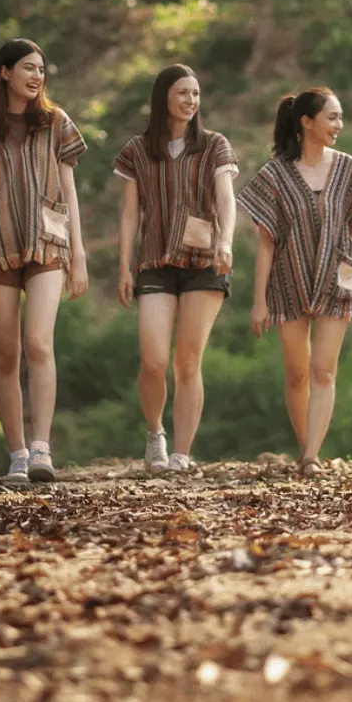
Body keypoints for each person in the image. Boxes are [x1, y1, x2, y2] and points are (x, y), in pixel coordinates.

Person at [0, 38, 90, 483]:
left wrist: (79, 254)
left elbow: (69, 190)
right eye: (29, 68)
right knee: (6, 354)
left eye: (42, 69)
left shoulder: (55, 122)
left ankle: (42, 449)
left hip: (48, 243)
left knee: (39, 344)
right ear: (5, 73)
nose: (37, 76)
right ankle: (16, 455)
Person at [240, 87, 352, 478]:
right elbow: (266, 243)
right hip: (287, 283)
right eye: (332, 117)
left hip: (340, 283)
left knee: (324, 370)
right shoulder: (275, 175)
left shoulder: (350, 169)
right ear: (306, 122)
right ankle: (306, 445)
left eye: (340, 117)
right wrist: (259, 301)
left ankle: (311, 457)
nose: (339, 125)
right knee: (297, 372)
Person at [112, 64, 239, 472]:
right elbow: (131, 215)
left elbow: (226, 200)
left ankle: (183, 452)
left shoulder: (214, 145)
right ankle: (155, 435)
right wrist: (123, 268)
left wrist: (225, 241)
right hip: (154, 261)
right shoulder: (137, 150)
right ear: (164, 96)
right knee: (153, 360)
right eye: (183, 93)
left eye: (196, 94)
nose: (191, 101)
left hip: (204, 263)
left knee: (188, 361)